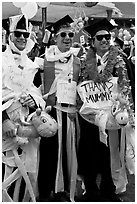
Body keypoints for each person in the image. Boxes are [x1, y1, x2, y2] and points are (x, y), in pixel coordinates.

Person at [77, 18, 133, 202]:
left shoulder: (121, 62)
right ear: (92, 41)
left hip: (112, 117)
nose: (104, 40)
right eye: (99, 37)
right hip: (90, 117)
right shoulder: (84, 62)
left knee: (110, 153)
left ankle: (109, 191)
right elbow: (79, 86)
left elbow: (129, 87)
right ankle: (91, 190)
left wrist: (125, 106)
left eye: (107, 37)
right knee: (90, 152)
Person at [2, 14, 46, 202]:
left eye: (25, 34)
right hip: (5, 127)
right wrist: (3, 119)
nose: (22, 38)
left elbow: (38, 94)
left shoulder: (31, 65)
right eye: (18, 34)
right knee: (6, 169)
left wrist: (33, 101)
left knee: (28, 168)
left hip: (27, 127)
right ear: (10, 35)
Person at [37, 15, 80, 202]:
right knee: (49, 153)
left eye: (71, 34)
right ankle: (46, 190)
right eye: (63, 34)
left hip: (70, 113)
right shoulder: (43, 60)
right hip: (51, 112)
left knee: (69, 152)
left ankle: (63, 189)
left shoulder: (78, 60)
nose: (68, 38)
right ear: (55, 37)